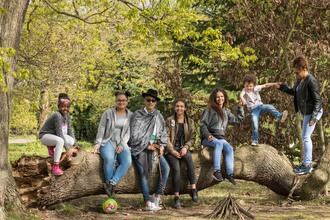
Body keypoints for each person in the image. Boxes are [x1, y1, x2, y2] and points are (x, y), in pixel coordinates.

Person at [275, 55, 323, 175]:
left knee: (306, 137)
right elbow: (294, 92)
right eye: (295, 73)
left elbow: (318, 101)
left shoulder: (311, 81)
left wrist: (313, 118)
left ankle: (307, 165)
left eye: (297, 72)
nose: (296, 75)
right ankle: (306, 164)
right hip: (307, 111)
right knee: (304, 136)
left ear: (304, 69)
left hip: (314, 111)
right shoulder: (299, 80)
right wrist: (282, 87)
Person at [130, 89, 170, 212]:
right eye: (148, 100)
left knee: (166, 168)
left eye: (153, 100)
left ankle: (157, 196)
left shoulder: (158, 115)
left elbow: (163, 132)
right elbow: (134, 134)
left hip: (155, 148)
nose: (150, 102)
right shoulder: (138, 114)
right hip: (140, 148)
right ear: (145, 100)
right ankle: (147, 203)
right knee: (143, 172)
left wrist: (162, 147)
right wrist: (147, 146)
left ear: (155, 102)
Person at [90, 91, 133, 197]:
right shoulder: (108, 113)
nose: (121, 102)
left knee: (127, 161)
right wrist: (97, 144)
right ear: (115, 101)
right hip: (108, 141)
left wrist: (122, 145)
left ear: (127, 102)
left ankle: (111, 184)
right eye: (119, 100)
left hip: (122, 142)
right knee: (109, 159)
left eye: (123, 100)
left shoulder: (131, 115)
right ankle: (109, 186)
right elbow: (101, 129)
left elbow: (129, 133)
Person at [200, 88, 244, 185]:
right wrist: (207, 135)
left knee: (229, 148)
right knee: (219, 144)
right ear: (214, 98)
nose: (220, 98)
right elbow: (202, 124)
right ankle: (216, 171)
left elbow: (237, 120)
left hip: (219, 138)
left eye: (222, 96)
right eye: (218, 97)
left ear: (224, 98)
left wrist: (240, 107)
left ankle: (229, 175)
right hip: (208, 138)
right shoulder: (209, 110)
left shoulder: (226, 111)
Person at [165, 98, 198, 209]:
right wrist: (172, 150)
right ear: (174, 107)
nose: (179, 108)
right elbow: (166, 137)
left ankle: (193, 189)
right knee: (176, 169)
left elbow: (192, 137)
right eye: (177, 106)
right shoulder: (169, 120)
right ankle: (176, 198)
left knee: (189, 161)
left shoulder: (190, 122)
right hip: (171, 150)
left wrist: (186, 147)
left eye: (181, 106)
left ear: (185, 108)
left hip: (183, 148)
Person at [39, 93, 81, 175]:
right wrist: (68, 149)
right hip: (45, 136)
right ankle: (55, 165)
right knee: (60, 141)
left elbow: (69, 130)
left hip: (54, 136)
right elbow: (59, 133)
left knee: (71, 141)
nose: (65, 109)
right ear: (58, 106)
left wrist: (75, 144)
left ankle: (52, 145)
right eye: (63, 106)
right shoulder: (57, 116)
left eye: (68, 107)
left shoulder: (67, 115)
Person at [240, 74, 288, 146]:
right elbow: (241, 94)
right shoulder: (244, 90)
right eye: (247, 86)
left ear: (254, 85)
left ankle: (280, 117)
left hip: (261, 106)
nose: (248, 88)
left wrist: (274, 84)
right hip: (253, 110)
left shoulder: (256, 88)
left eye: (250, 86)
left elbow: (265, 85)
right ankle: (255, 140)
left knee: (270, 107)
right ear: (244, 85)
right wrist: (242, 99)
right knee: (255, 124)